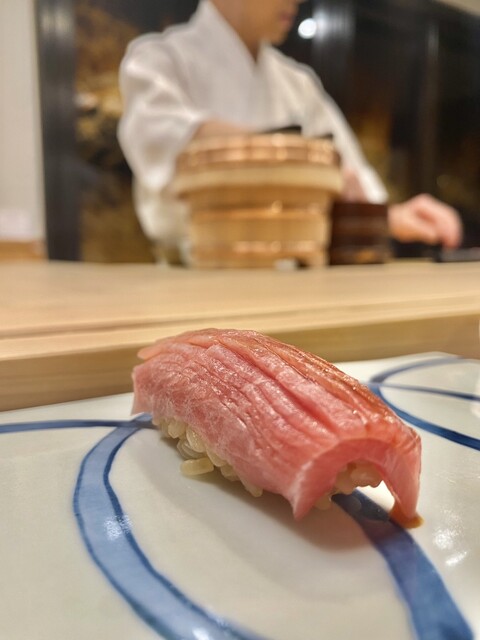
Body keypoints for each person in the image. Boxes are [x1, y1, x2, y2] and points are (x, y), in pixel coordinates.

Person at [118, 0, 462, 256]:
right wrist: (309, 162)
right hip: (194, 273)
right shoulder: (158, 60)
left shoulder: (298, 82)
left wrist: (392, 215)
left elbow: (350, 173)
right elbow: (168, 141)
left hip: (299, 275)